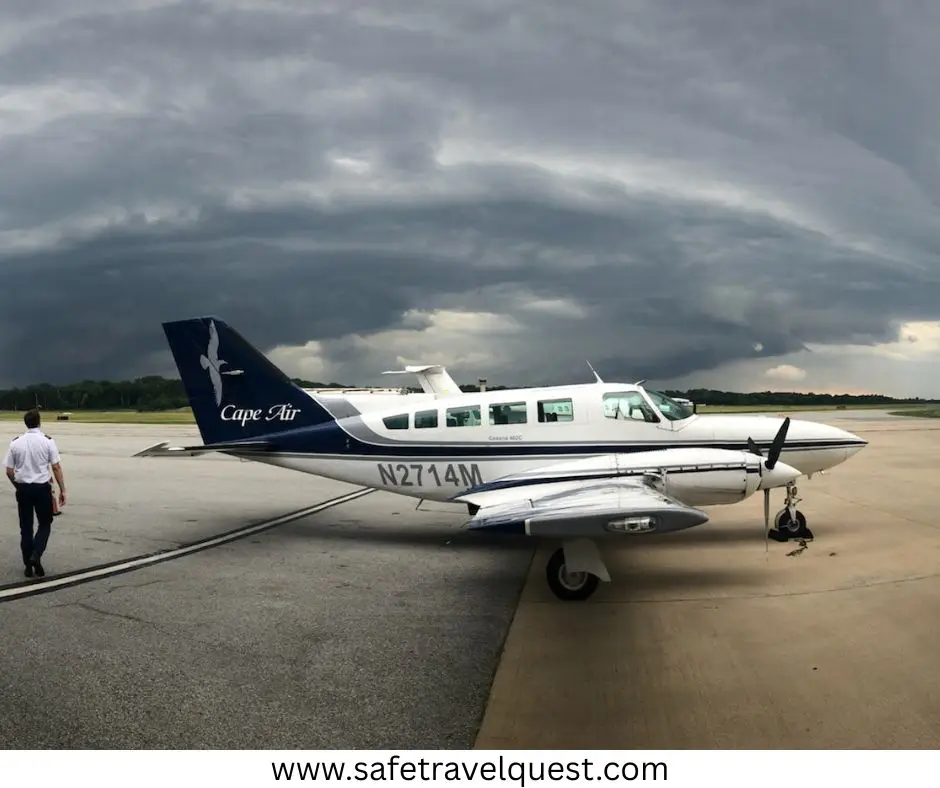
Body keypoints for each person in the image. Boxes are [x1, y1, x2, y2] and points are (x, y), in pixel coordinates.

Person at [3, 409, 66, 578]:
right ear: (39, 422)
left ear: (26, 423)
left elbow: (9, 470)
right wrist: (62, 489)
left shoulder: (16, 443)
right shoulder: (47, 441)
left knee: (25, 528)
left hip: (23, 489)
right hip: (41, 488)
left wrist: (18, 485)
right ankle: (36, 554)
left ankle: (28, 566)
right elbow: (56, 467)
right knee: (45, 524)